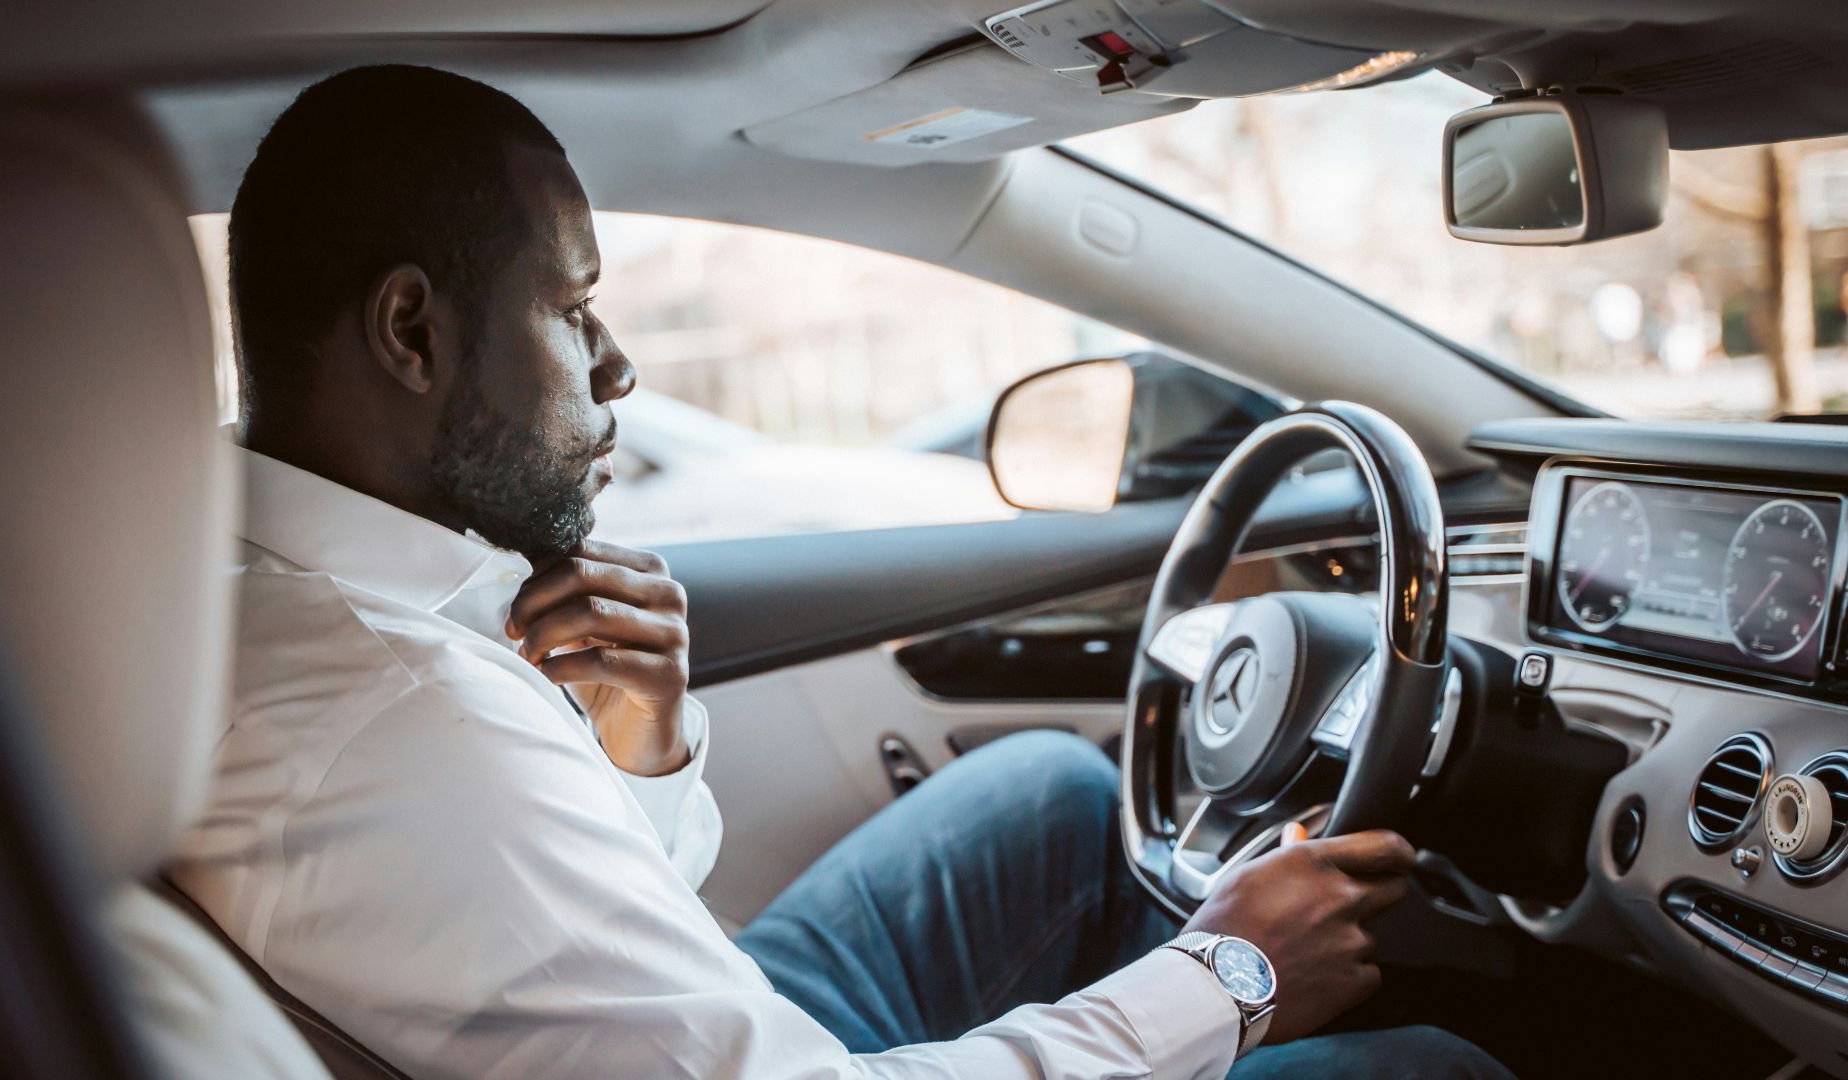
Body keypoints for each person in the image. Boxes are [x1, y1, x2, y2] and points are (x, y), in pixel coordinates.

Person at [171, 64, 1512, 1079]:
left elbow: (547, 930)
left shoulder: (253, 594)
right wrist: (1228, 976)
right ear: (412, 330)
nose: (619, 366)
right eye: (575, 309)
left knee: (1050, 795)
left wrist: (637, 755)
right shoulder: (395, 717)